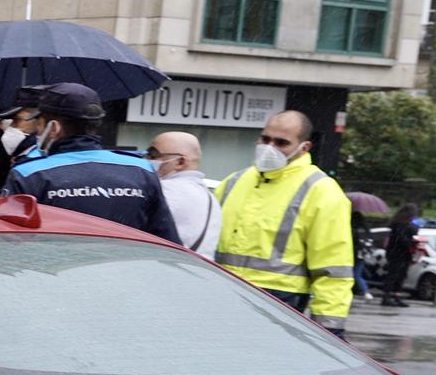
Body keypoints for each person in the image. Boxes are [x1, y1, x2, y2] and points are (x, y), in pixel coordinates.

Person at [215, 110, 355, 335]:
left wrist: (330, 329)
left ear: (304, 147)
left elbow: (333, 270)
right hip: (220, 297)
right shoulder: (234, 181)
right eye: (265, 139)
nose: (270, 147)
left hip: (278, 305)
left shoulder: (322, 191)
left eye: (282, 143)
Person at [1, 84, 180, 243]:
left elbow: (7, 242)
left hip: (57, 277)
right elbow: (167, 240)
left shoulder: (28, 174)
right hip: (127, 274)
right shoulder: (141, 169)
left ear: (54, 128)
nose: (37, 133)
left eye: (39, 125)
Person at [148, 131, 222, 258]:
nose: (148, 159)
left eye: (153, 154)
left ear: (180, 162)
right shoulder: (210, 198)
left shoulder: (166, 191)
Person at [382, 203, 420, 307]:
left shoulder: (396, 223)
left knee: (398, 275)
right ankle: (390, 297)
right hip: (400, 253)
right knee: (395, 276)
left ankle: (393, 296)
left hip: (397, 253)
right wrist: (413, 242)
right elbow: (402, 239)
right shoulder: (401, 225)